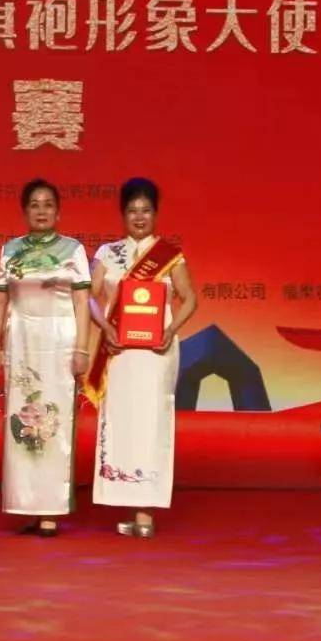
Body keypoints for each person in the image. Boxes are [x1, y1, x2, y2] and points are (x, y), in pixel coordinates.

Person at [86, 176, 197, 538]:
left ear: (156, 214)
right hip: (119, 351)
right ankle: (127, 501)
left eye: (146, 210)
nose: (139, 217)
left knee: (151, 422)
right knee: (122, 422)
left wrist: (171, 329)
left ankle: (145, 512)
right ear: (123, 214)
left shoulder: (169, 254)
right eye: (132, 210)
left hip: (156, 352)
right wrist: (105, 326)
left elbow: (190, 298)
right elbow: (89, 296)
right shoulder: (108, 253)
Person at [0, 178, 93, 535]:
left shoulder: (73, 250)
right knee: (22, 420)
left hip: (60, 341)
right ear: (25, 211)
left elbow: (82, 302)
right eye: (34, 204)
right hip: (21, 342)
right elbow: (0, 300)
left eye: (48, 204)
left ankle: (50, 508)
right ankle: (26, 503)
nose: (41, 211)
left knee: (54, 421)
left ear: (58, 211)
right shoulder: (10, 250)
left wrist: (82, 348)